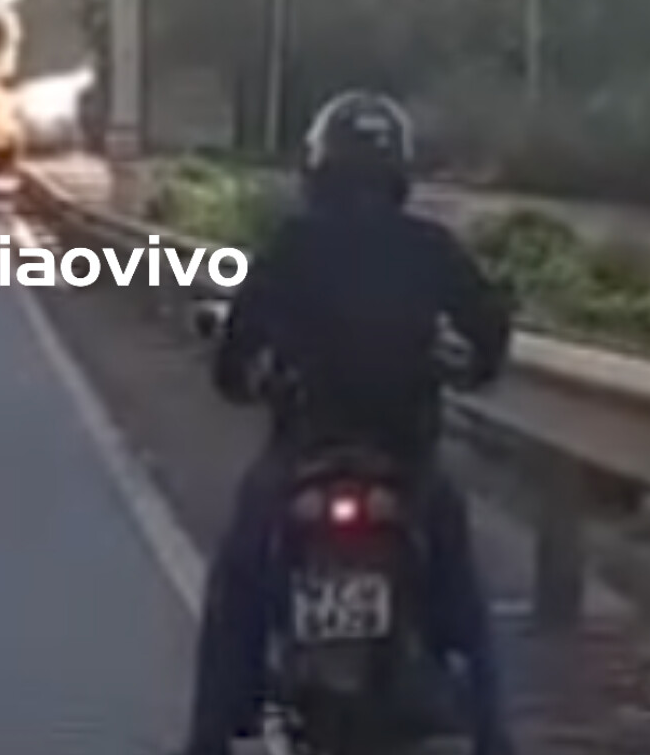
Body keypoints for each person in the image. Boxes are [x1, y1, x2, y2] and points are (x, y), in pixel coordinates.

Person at [177, 90, 516, 755]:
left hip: (302, 461)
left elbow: (232, 359)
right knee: (467, 612)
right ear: (399, 173)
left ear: (318, 168)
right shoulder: (430, 247)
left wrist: (247, 378)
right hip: (406, 466)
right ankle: (494, 740)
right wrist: (467, 368)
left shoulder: (290, 246)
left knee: (236, 594)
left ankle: (209, 737)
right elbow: (489, 334)